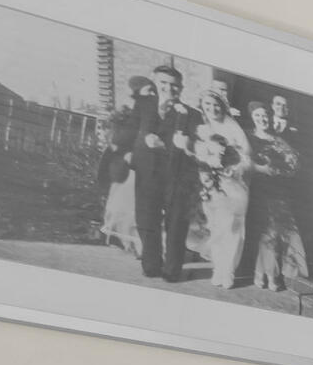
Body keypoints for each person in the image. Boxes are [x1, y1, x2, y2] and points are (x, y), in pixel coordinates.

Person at [129, 64, 200, 281]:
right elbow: (128, 133)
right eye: (163, 83)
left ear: (181, 88)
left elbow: (200, 146)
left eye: (175, 85)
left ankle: (172, 270)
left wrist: (189, 143)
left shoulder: (192, 114)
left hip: (179, 178)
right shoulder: (141, 107)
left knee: (177, 223)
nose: (169, 88)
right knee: (147, 220)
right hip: (147, 175)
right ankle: (151, 265)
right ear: (154, 84)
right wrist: (144, 140)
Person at [190, 87, 254, 289]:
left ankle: (228, 272)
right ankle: (218, 268)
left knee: (232, 228)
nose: (212, 108)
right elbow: (197, 155)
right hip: (210, 185)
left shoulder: (234, 130)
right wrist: (207, 164)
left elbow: (247, 159)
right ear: (202, 106)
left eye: (216, 105)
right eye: (208, 104)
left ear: (223, 107)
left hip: (233, 185)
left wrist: (234, 169)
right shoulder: (201, 130)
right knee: (216, 228)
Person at [240, 100, 306, 293]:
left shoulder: (279, 140)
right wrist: (261, 168)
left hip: (277, 191)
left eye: (265, 115)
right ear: (253, 118)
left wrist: (279, 170)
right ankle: (267, 274)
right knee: (264, 232)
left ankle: (266, 273)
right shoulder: (247, 137)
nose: (262, 119)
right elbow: (241, 162)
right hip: (255, 189)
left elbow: (293, 165)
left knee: (275, 233)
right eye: (258, 116)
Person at [98, 76, 153, 259]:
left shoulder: (151, 110)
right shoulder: (130, 112)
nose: (152, 94)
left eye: (153, 91)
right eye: (147, 91)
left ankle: (141, 245)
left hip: (144, 163)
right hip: (129, 167)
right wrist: (127, 151)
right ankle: (134, 244)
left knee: (143, 208)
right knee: (128, 208)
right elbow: (120, 139)